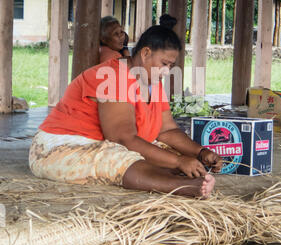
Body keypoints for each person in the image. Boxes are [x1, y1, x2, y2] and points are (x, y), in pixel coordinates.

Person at [29, 22, 223, 199]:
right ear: (146, 53)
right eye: (164, 64)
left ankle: (181, 178)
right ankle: (182, 187)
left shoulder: (152, 81)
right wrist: (179, 162)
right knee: (115, 159)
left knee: (166, 152)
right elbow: (122, 139)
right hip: (59, 148)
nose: (167, 71)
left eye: (171, 66)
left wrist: (200, 152)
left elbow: (167, 130)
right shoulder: (113, 77)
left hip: (103, 143)